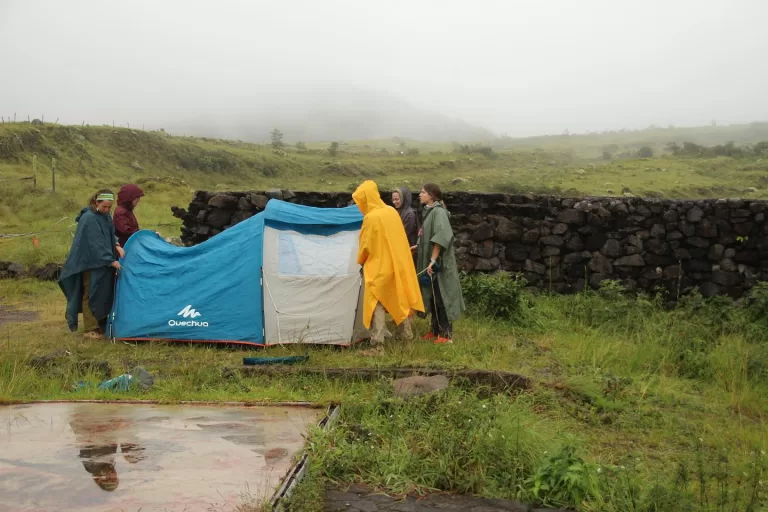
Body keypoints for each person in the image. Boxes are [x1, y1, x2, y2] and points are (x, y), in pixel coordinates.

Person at [353, 180, 424, 346]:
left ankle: (378, 344)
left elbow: (366, 247)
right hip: (397, 265)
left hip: (378, 268)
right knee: (400, 298)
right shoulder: (391, 211)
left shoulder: (370, 218)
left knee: (376, 303)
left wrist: (360, 260)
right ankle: (406, 337)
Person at [59, 189, 124, 339]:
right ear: (96, 202)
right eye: (104, 206)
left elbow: (109, 234)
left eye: (109, 207)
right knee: (91, 294)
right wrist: (110, 260)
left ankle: (100, 324)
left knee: (102, 294)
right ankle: (90, 329)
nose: (107, 209)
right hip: (90, 263)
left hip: (102, 263)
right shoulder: (89, 218)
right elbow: (95, 243)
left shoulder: (104, 215)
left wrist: (116, 244)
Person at [417, 183, 465, 343]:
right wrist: (417, 246)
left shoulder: (439, 212)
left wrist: (432, 260)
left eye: (423, 192)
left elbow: (441, 236)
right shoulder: (429, 212)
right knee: (432, 296)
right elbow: (427, 236)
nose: (420, 194)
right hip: (432, 263)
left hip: (439, 266)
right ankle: (435, 331)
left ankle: (445, 335)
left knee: (441, 297)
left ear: (431, 195)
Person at [113, 184, 145, 249]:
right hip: (125, 248)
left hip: (129, 246)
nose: (139, 200)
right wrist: (146, 235)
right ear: (130, 198)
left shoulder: (126, 210)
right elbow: (127, 232)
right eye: (137, 198)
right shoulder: (120, 212)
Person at [392, 186, 419, 255]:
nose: (394, 202)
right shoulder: (399, 211)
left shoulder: (409, 214)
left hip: (409, 250)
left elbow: (404, 233)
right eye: (393, 199)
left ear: (404, 198)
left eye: (396, 199)